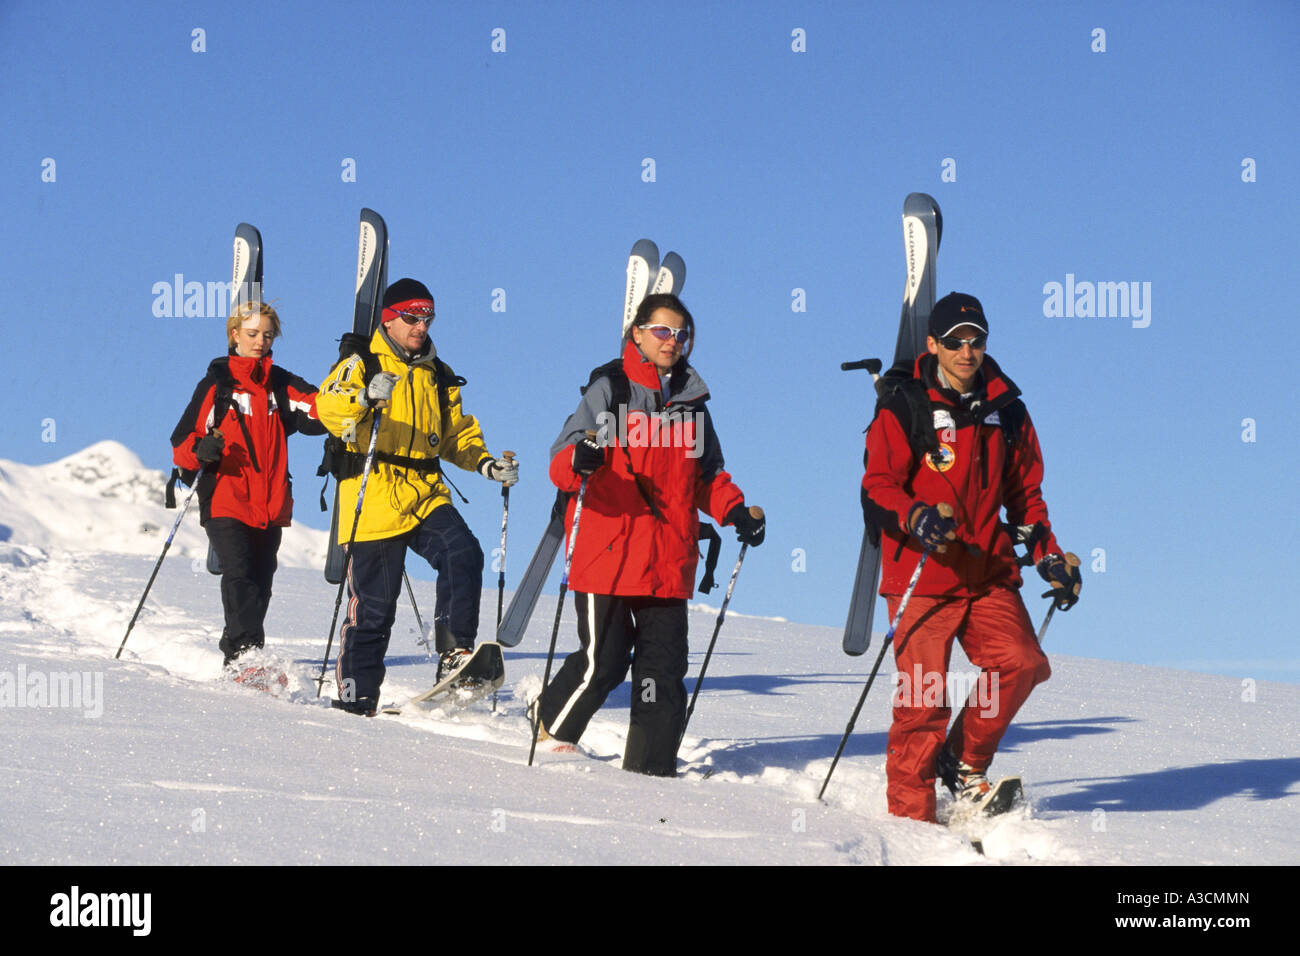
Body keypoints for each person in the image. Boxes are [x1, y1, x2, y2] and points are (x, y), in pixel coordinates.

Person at [861, 291, 1081, 823]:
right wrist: (915, 516)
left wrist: (1048, 556)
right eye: (955, 341)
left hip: (986, 572)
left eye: (976, 340)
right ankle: (912, 823)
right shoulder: (907, 404)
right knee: (923, 701)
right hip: (923, 572)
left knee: (1021, 662)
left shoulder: (1007, 409)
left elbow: (1026, 496)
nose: (967, 350)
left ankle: (963, 762)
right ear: (934, 344)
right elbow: (877, 485)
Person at [532, 292, 765, 776]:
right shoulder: (610, 389)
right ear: (637, 333)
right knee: (606, 662)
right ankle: (551, 728)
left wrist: (735, 511)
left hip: (668, 560)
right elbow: (563, 458)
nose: (672, 341)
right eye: (662, 330)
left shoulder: (693, 404)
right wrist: (580, 460)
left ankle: (652, 772)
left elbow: (706, 477)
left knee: (662, 673)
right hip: (609, 554)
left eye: (681, 334)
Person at [316, 278, 518, 716]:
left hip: (423, 490)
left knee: (463, 552)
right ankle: (357, 697)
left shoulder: (437, 373)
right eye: (411, 317)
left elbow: (456, 434)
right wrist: (366, 397)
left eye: (427, 317)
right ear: (389, 318)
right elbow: (328, 408)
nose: (420, 326)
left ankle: (454, 653)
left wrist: (485, 463)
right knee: (373, 610)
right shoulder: (362, 362)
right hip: (373, 493)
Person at [170, 300, 326, 678]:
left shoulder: (280, 383)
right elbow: (180, 445)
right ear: (234, 335)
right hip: (226, 497)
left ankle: (240, 659)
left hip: (271, 503)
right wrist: (200, 449)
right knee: (239, 573)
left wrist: (355, 387)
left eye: (268, 335)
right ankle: (245, 655)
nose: (260, 341)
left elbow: (323, 411)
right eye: (253, 333)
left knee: (260, 581)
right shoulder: (218, 385)